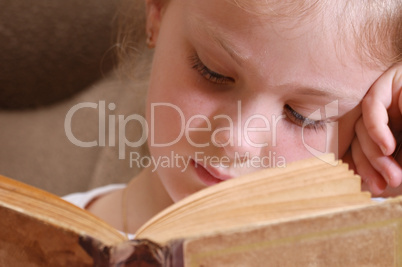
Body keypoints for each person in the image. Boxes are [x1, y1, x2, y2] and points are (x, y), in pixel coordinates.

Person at [64, 0, 402, 235]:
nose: (238, 139)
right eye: (213, 72)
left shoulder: (370, 235)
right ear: (157, 11)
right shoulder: (30, 236)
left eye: (302, 116)